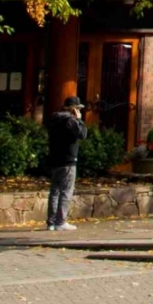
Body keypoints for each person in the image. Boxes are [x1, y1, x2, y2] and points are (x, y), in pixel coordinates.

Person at [43, 96, 86, 232]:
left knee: (55, 191)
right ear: (74, 109)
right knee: (66, 191)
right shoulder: (70, 121)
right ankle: (61, 222)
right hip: (68, 160)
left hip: (55, 160)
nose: (80, 111)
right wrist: (79, 120)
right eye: (78, 109)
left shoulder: (54, 119)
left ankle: (51, 222)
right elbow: (83, 134)